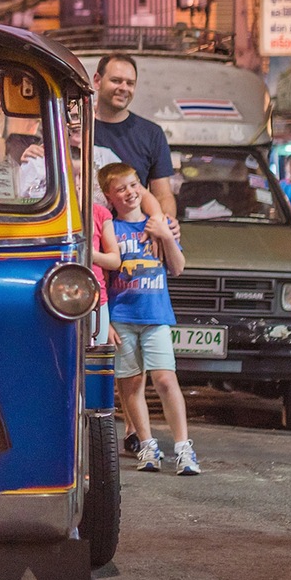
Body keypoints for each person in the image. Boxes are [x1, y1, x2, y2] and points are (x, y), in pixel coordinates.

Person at [92, 162, 197, 475]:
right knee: (132, 383)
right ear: (110, 197)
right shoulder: (112, 229)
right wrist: (106, 321)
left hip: (155, 316)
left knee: (165, 379)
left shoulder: (157, 225)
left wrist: (164, 235)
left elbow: (177, 267)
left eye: (133, 185)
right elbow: (103, 277)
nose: (129, 193)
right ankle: (147, 444)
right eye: (120, 189)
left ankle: (183, 446)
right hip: (122, 317)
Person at [90, 55, 176, 231]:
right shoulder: (77, 129)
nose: (124, 88)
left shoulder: (151, 134)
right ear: (97, 81)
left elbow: (163, 195)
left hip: (134, 240)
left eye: (130, 83)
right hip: (88, 238)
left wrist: (166, 225)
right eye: (116, 81)